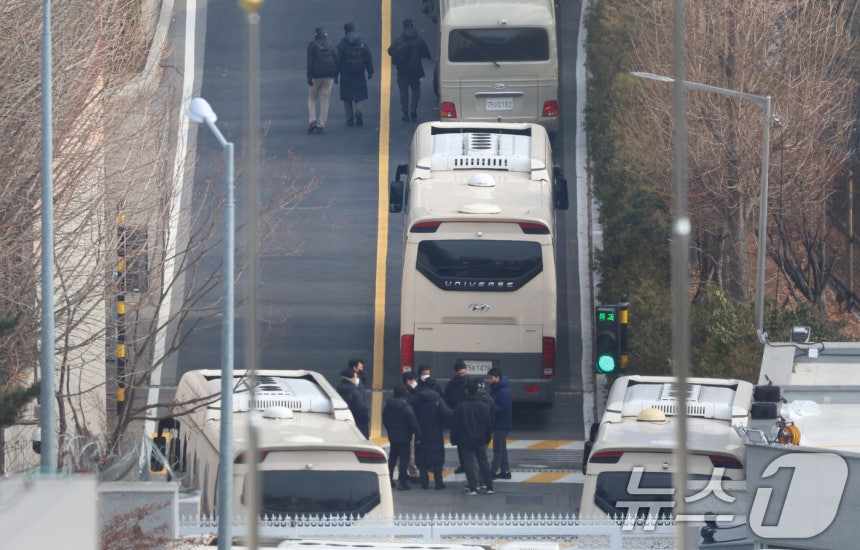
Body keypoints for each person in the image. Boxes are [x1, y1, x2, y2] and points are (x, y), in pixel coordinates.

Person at [450, 379, 494, 495]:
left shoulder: (461, 406)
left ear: (467, 391)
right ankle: (489, 486)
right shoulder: (483, 406)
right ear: (478, 390)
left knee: (468, 463)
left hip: (465, 439)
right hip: (480, 439)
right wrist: (487, 438)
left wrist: (454, 439)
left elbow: (456, 425)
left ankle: (473, 487)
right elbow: (487, 424)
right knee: (483, 461)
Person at [411, 377, 453, 489]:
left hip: (421, 432)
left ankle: (424, 482)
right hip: (435, 432)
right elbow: (447, 414)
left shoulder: (417, 399)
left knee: (422, 457)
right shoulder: (438, 400)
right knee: (437, 458)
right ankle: (438, 482)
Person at [387, 18, 432, 122]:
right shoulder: (419, 40)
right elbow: (426, 53)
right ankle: (413, 109)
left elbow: (390, 51)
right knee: (415, 90)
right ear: (412, 26)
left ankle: (405, 113)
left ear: (403, 27)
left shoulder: (399, 40)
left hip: (402, 70)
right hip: (415, 70)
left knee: (403, 92)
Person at [382, 384, 423, 490]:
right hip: (405, 437)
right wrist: (419, 436)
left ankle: (389, 479)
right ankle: (402, 481)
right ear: (404, 393)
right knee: (404, 459)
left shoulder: (388, 406)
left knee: (392, 459)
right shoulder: (406, 407)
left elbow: (385, 420)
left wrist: (390, 430)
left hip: (393, 436)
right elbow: (413, 423)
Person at [336, 22, 374, 127]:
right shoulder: (361, 42)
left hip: (345, 73)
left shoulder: (342, 43)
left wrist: (335, 75)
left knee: (346, 97)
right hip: (359, 72)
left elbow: (337, 60)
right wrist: (370, 71)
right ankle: (358, 111)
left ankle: (349, 118)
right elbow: (368, 57)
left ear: (346, 31)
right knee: (359, 94)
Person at [306, 27, 338, 135]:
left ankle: (312, 121)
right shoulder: (331, 45)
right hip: (328, 76)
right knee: (325, 99)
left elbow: (310, 63)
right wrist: (335, 75)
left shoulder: (312, 46)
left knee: (312, 98)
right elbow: (337, 59)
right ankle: (321, 124)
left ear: (315, 34)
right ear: (325, 35)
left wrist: (309, 76)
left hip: (315, 76)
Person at [444, 360, 470, 473]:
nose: (462, 376)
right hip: (457, 417)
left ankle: (469, 464)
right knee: (459, 443)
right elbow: (447, 401)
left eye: (464, 373)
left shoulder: (470, 382)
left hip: (469, 416)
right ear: (455, 373)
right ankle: (463, 464)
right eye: (460, 374)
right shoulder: (450, 385)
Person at [487, 367, 513, 480]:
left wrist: (491, 407)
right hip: (500, 424)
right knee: (502, 448)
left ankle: (493, 471)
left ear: (497, 378)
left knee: (497, 449)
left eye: (491, 378)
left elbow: (504, 408)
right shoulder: (498, 388)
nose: (489, 380)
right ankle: (505, 471)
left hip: (501, 425)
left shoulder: (503, 391)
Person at [336, 367, 370, 438]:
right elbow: (362, 410)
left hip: (344, 424)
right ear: (353, 377)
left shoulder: (338, 391)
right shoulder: (355, 393)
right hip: (358, 425)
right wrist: (366, 418)